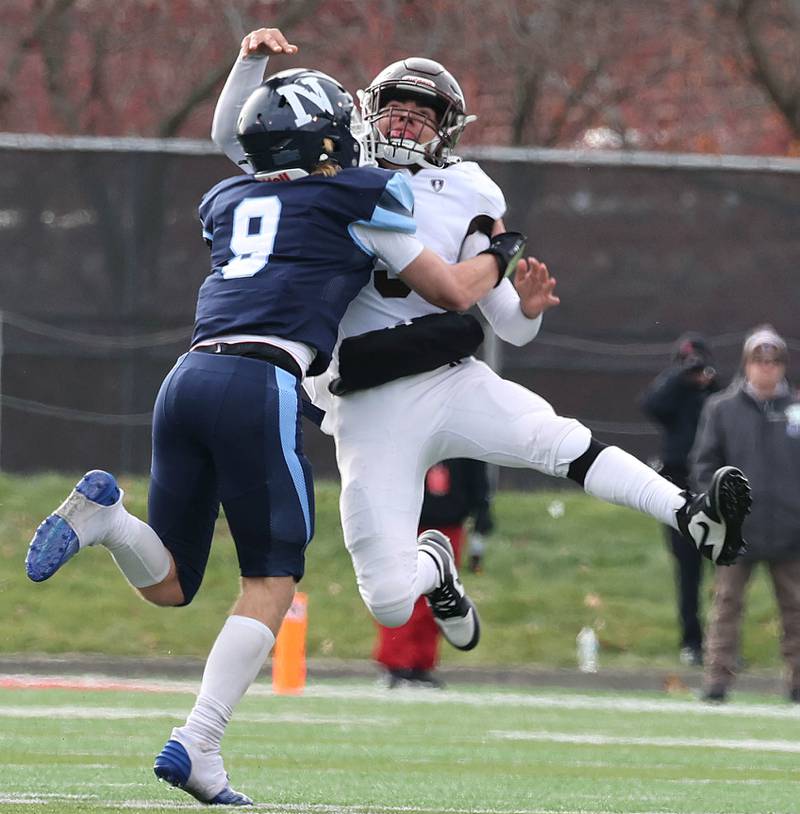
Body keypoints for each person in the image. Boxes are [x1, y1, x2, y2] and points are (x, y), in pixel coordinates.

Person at [24, 68, 539, 806]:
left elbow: (236, 142)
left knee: (171, 584)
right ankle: (199, 741)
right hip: (261, 382)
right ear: (331, 136)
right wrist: (502, 249)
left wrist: (246, 67)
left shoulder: (229, 197)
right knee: (271, 581)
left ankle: (110, 520)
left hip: (188, 378)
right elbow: (456, 293)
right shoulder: (357, 193)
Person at [212, 28, 751, 660]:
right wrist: (249, 65)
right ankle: (435, 567)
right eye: (397, 109)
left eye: (422, 116)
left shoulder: (469, 189)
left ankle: (691, 512)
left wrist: (527, 308)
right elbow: (233, 139)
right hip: (363, 402)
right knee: (386, 596)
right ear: (367, 110)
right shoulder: (337, 164)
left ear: (447, 129)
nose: (407, 124)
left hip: (447, 377)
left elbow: (507, 323)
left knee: (558, 439)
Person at [691, 326, 800, 703]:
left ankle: (797, 681)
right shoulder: (722, 409)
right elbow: (705, 464)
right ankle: (717, 679)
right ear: (746, 365)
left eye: (774, 361)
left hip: (791, 529)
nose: (766, 369)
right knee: (726, 606)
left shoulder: (796, 410)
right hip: (737, 530)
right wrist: (718, 508)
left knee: (796, 609)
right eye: (759, 361)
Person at [375, 458, 494, 688]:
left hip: (449, 524)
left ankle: (421, 663)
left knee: (439, 596)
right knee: (402, 592)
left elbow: (476, 467)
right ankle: (396, 662)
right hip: (407, 522)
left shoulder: (461, 428)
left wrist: (482, 507)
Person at [640, 333, 720, 666]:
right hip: (678, 485)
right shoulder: (672, 394)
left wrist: (705, 381)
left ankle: (722, 643)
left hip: (713, 486)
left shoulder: (715, 397)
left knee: (725, 572)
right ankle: (692, 641)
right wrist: (680, 377)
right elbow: (650, 405)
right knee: (687, 571)